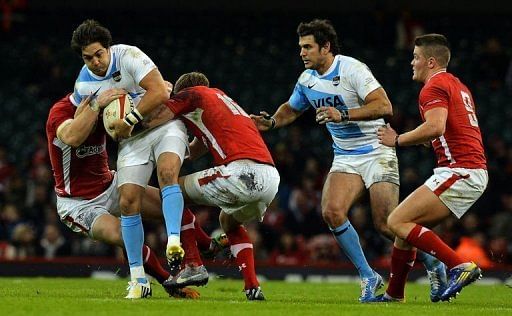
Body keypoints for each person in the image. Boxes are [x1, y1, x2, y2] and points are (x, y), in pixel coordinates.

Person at [250, 18, 445, 302]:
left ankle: (433, 263)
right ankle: (368, 275)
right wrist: (271, 122)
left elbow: (384, 106)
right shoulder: (307, 80)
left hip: (377, 149)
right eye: (300, 47)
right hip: (345, 156)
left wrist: (342, 115)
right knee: (331, 211)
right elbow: (292, 109)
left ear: (326, 47)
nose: (302, 53)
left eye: (308, 47)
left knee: (385, 223)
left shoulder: (352, 69)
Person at [69, 19, 188, 298]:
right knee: (127, 200)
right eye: (88, 58)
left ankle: (174, 241)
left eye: (99, 54)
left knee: (168, 172)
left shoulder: (129, 55)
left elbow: (159, 91)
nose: (96, 62)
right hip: (131, 139)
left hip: (162, 124)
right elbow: (80, 123)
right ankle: (138, 280)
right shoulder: (83, 85)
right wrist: (100, 112)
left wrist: (130, 119)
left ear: (108, 48)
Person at [46, 91, 200, 299]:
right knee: (123, 235)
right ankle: (167, 282)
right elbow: (72, 137)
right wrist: (94, 107)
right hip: (79, 203)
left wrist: (157, 90)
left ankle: (206, 247)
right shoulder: (61, 111)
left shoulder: (111, 103)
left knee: (174, 206)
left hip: (110, 185)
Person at [144, 72, 280, 301]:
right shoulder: (221, 99)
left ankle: (194, 263)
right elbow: (195, 149)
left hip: (242, 172)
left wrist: (125, 122)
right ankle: (252, 287)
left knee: (172, 191)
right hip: (270, 178)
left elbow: (154, 119)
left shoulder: (191, 94)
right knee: (228, 221)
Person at [372, 34, 488, 302]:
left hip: (460, 170)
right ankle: (394, 295)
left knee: (396, 221)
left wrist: (397, 139)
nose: (412, 62)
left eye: (416, 57)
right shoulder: (457, 85)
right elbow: (445, 132)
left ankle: (460, 265)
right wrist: (422, 139)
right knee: (406, 226)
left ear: (431, 62)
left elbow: (436, 127)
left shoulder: (432, 88)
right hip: (469, 169)